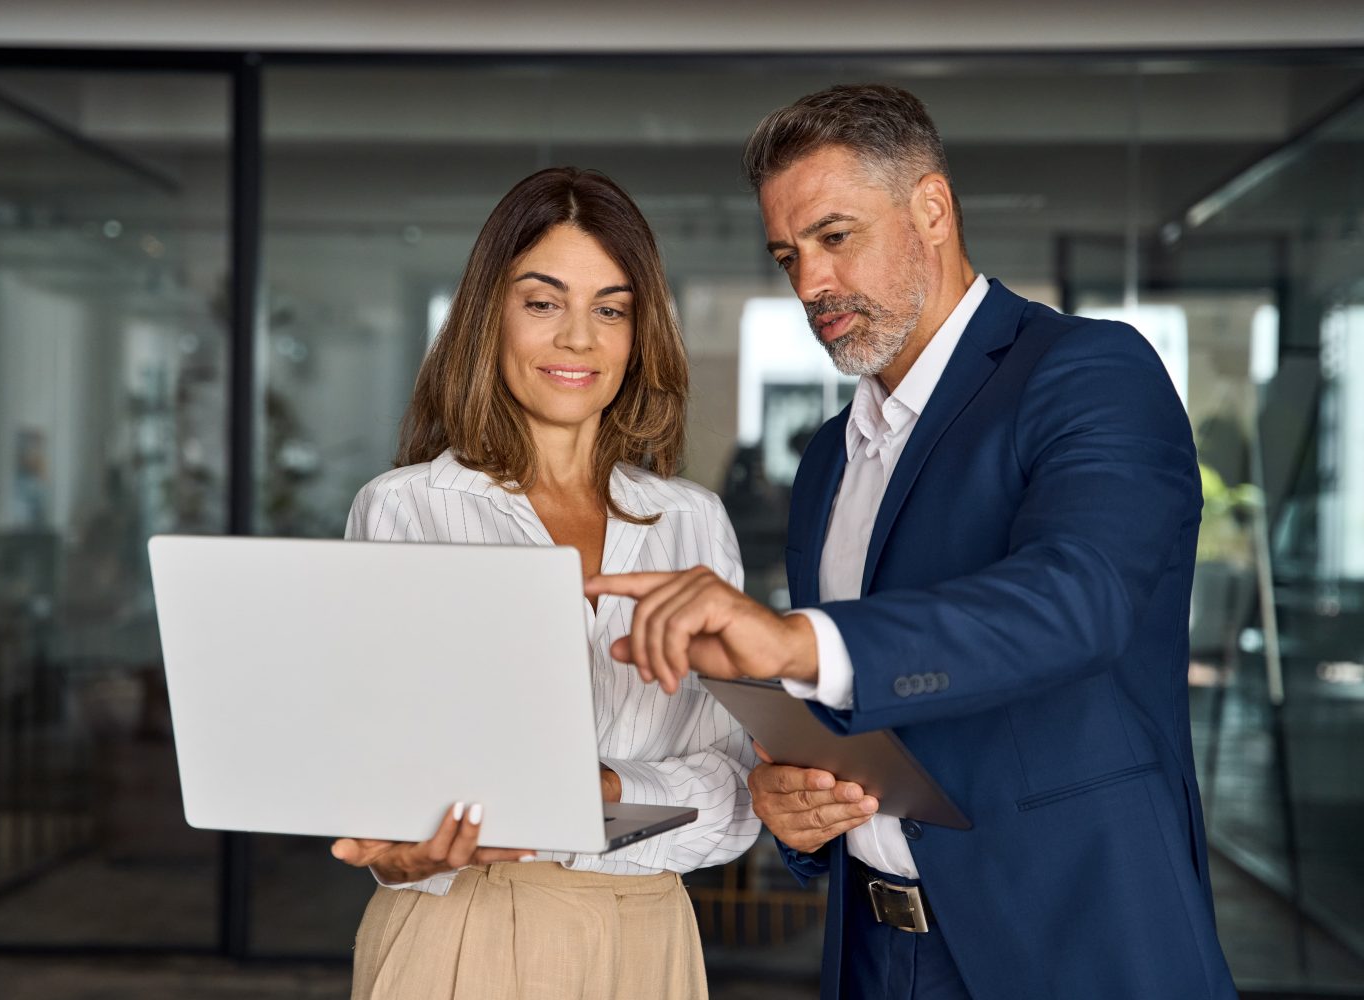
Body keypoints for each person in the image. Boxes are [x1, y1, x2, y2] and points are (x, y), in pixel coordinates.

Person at [586, 85, 1233, 998]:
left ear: (932, 209)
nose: (810, 283)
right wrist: (793, 808)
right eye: (788, 255)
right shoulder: (828, 459)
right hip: (876, 955)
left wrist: (798, 642)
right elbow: (858, 720)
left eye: (835, 236)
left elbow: (1078, 600)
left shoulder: (1089, 371)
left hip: (1076, 951)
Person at [329, 167, 761, 1000]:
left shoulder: (693, 523)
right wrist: (399, 853)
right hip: (462, 926)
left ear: (640, 334)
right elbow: (370, 775)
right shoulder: (406, 509)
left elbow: (738, 798)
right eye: (542, 302)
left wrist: (607, 790)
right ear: (488, 316)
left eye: (611, 309)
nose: (578, 339)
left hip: (651, 936)